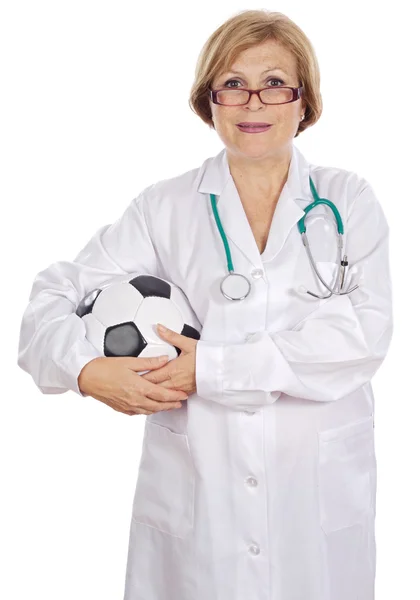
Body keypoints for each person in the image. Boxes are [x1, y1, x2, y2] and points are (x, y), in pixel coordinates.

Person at [17, 8, 393, 600]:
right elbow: (50, 299)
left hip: (315, 501)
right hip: (199, 503)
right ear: (208, 100)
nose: (253, 103)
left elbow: (361, 338)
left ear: (304, 100)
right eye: (232, 83)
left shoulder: (347, 201)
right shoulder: (163, 208)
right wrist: (86, 370)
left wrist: (209, 367)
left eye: (274, 83)